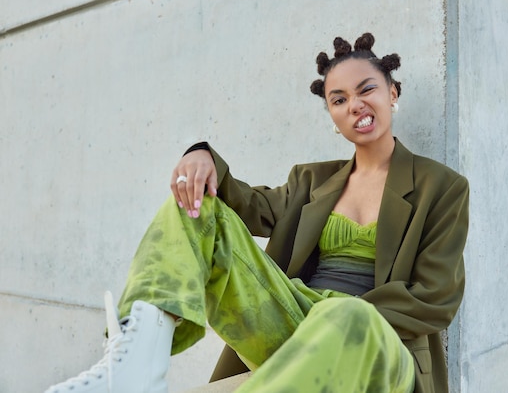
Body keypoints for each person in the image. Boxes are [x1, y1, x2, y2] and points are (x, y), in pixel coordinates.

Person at [45, 33, 469, 393]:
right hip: (299, 315)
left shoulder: (442, 187)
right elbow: (248, 206)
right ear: (332, 117)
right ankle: (135, 365)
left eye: (367, 89)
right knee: (197, 205)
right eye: (339, 99)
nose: (354, 104)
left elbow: (435, 298)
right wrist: (201, 154)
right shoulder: (310, 180)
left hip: (384, 344)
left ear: (392, 93)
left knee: (348, 312)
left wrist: (336, 309)